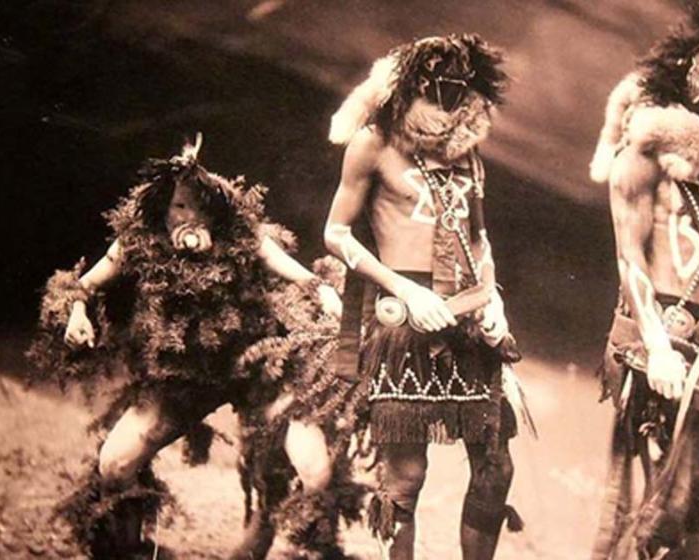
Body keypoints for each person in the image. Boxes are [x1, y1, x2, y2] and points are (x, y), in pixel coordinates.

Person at [29, 136, 343, 559]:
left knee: (315, 470)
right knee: (115, 464)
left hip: (255, 369)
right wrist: (77, 314)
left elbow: (303, 277)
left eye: (201, 207)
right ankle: (131, 549)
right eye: (180, 206)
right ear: (163, 207)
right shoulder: (137, 240)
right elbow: (79, 287)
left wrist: (325, 292)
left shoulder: (243, 235)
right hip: (180, 381)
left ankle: (270, 526)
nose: (190, 217)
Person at [323, 34, 523, 560]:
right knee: (406, 477)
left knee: (495, 466)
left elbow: (479, 238)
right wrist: (405, 290)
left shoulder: (467, 153)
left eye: (459, 88)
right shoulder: (374, 142)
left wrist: (494, 300)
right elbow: (336, 234)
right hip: (404, 326)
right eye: (437, 86)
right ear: (412, 85)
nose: (448, 98)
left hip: (469, 321)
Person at [587, 6, 699, 559]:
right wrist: (657, 346)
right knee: (665, 487)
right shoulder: (640, 158)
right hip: (660, 327)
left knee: (696, 491)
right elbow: (629, 259)